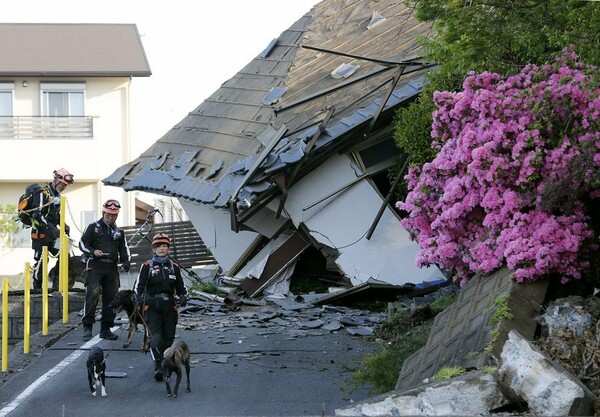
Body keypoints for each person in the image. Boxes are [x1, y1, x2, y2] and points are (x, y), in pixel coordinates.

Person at [133, 233, 188, 381]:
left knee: (168, 339)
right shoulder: (146, 266)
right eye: (159, 246)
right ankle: (158, 366)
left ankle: (166, 364)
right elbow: (138, 286)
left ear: (168, 249)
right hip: (152, 307)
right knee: (156, 338)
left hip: (170, 307)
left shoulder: (174, 267)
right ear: (154, 249)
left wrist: (183, 296)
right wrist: (137, 298)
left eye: (164, 246)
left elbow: (181, 287)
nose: (162, 249)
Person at [79, 199, 131, 340]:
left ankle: (106, 329)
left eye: (114, 215)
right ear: (104, 212)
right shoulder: (93, 227)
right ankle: (87, 327)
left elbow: (124, 249)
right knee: (92, 296)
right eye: (108, 214)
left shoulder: (119, 232)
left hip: (111, 268)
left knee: (112, 300)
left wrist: (126, 262)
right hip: (95, 267)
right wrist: (93, 252)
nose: (111, 217)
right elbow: (82, 244)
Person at [30, 168, 74, 289]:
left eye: (66, 185)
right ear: (56, 179)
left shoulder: (58, 196)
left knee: (64, 254)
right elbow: (37, 215)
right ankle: (37, 288)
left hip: (53, 234)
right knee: (42, 261)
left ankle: (56, 285)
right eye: (63, 184)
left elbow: (55, 214)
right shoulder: (42, 192)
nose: (64, 187)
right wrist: (53, 229)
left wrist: (63, 225)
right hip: (40, 234)